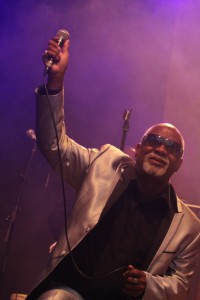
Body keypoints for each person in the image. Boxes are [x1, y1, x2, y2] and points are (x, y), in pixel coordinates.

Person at [26, 34, 200, 300]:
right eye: (153, 140)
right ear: (138, 149)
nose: (161, 148)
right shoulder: (103, 165)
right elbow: (54, 146)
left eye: (171, 147)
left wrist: (148, 285)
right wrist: (56, 81)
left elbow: (180, 285)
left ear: (179, 163)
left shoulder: (188, 227)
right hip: (70, 292)